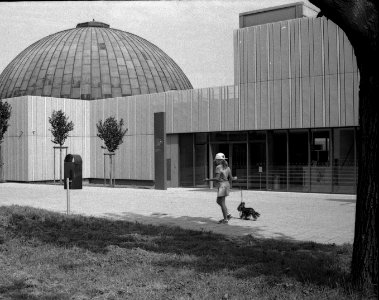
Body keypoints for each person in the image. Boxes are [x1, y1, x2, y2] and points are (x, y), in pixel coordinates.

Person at [204, 153, 237, 224]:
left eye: (216, 160)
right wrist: (235, 178)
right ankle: (228, 215)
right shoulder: (228, 167)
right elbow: (231, 178)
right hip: (226, 184)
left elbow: (217, 178)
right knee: (219, 201)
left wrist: (208, 180)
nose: (215, 161)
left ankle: (226, 219)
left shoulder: (218, 167)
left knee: (222, 203)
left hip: (222, 185)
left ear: (219, 160)